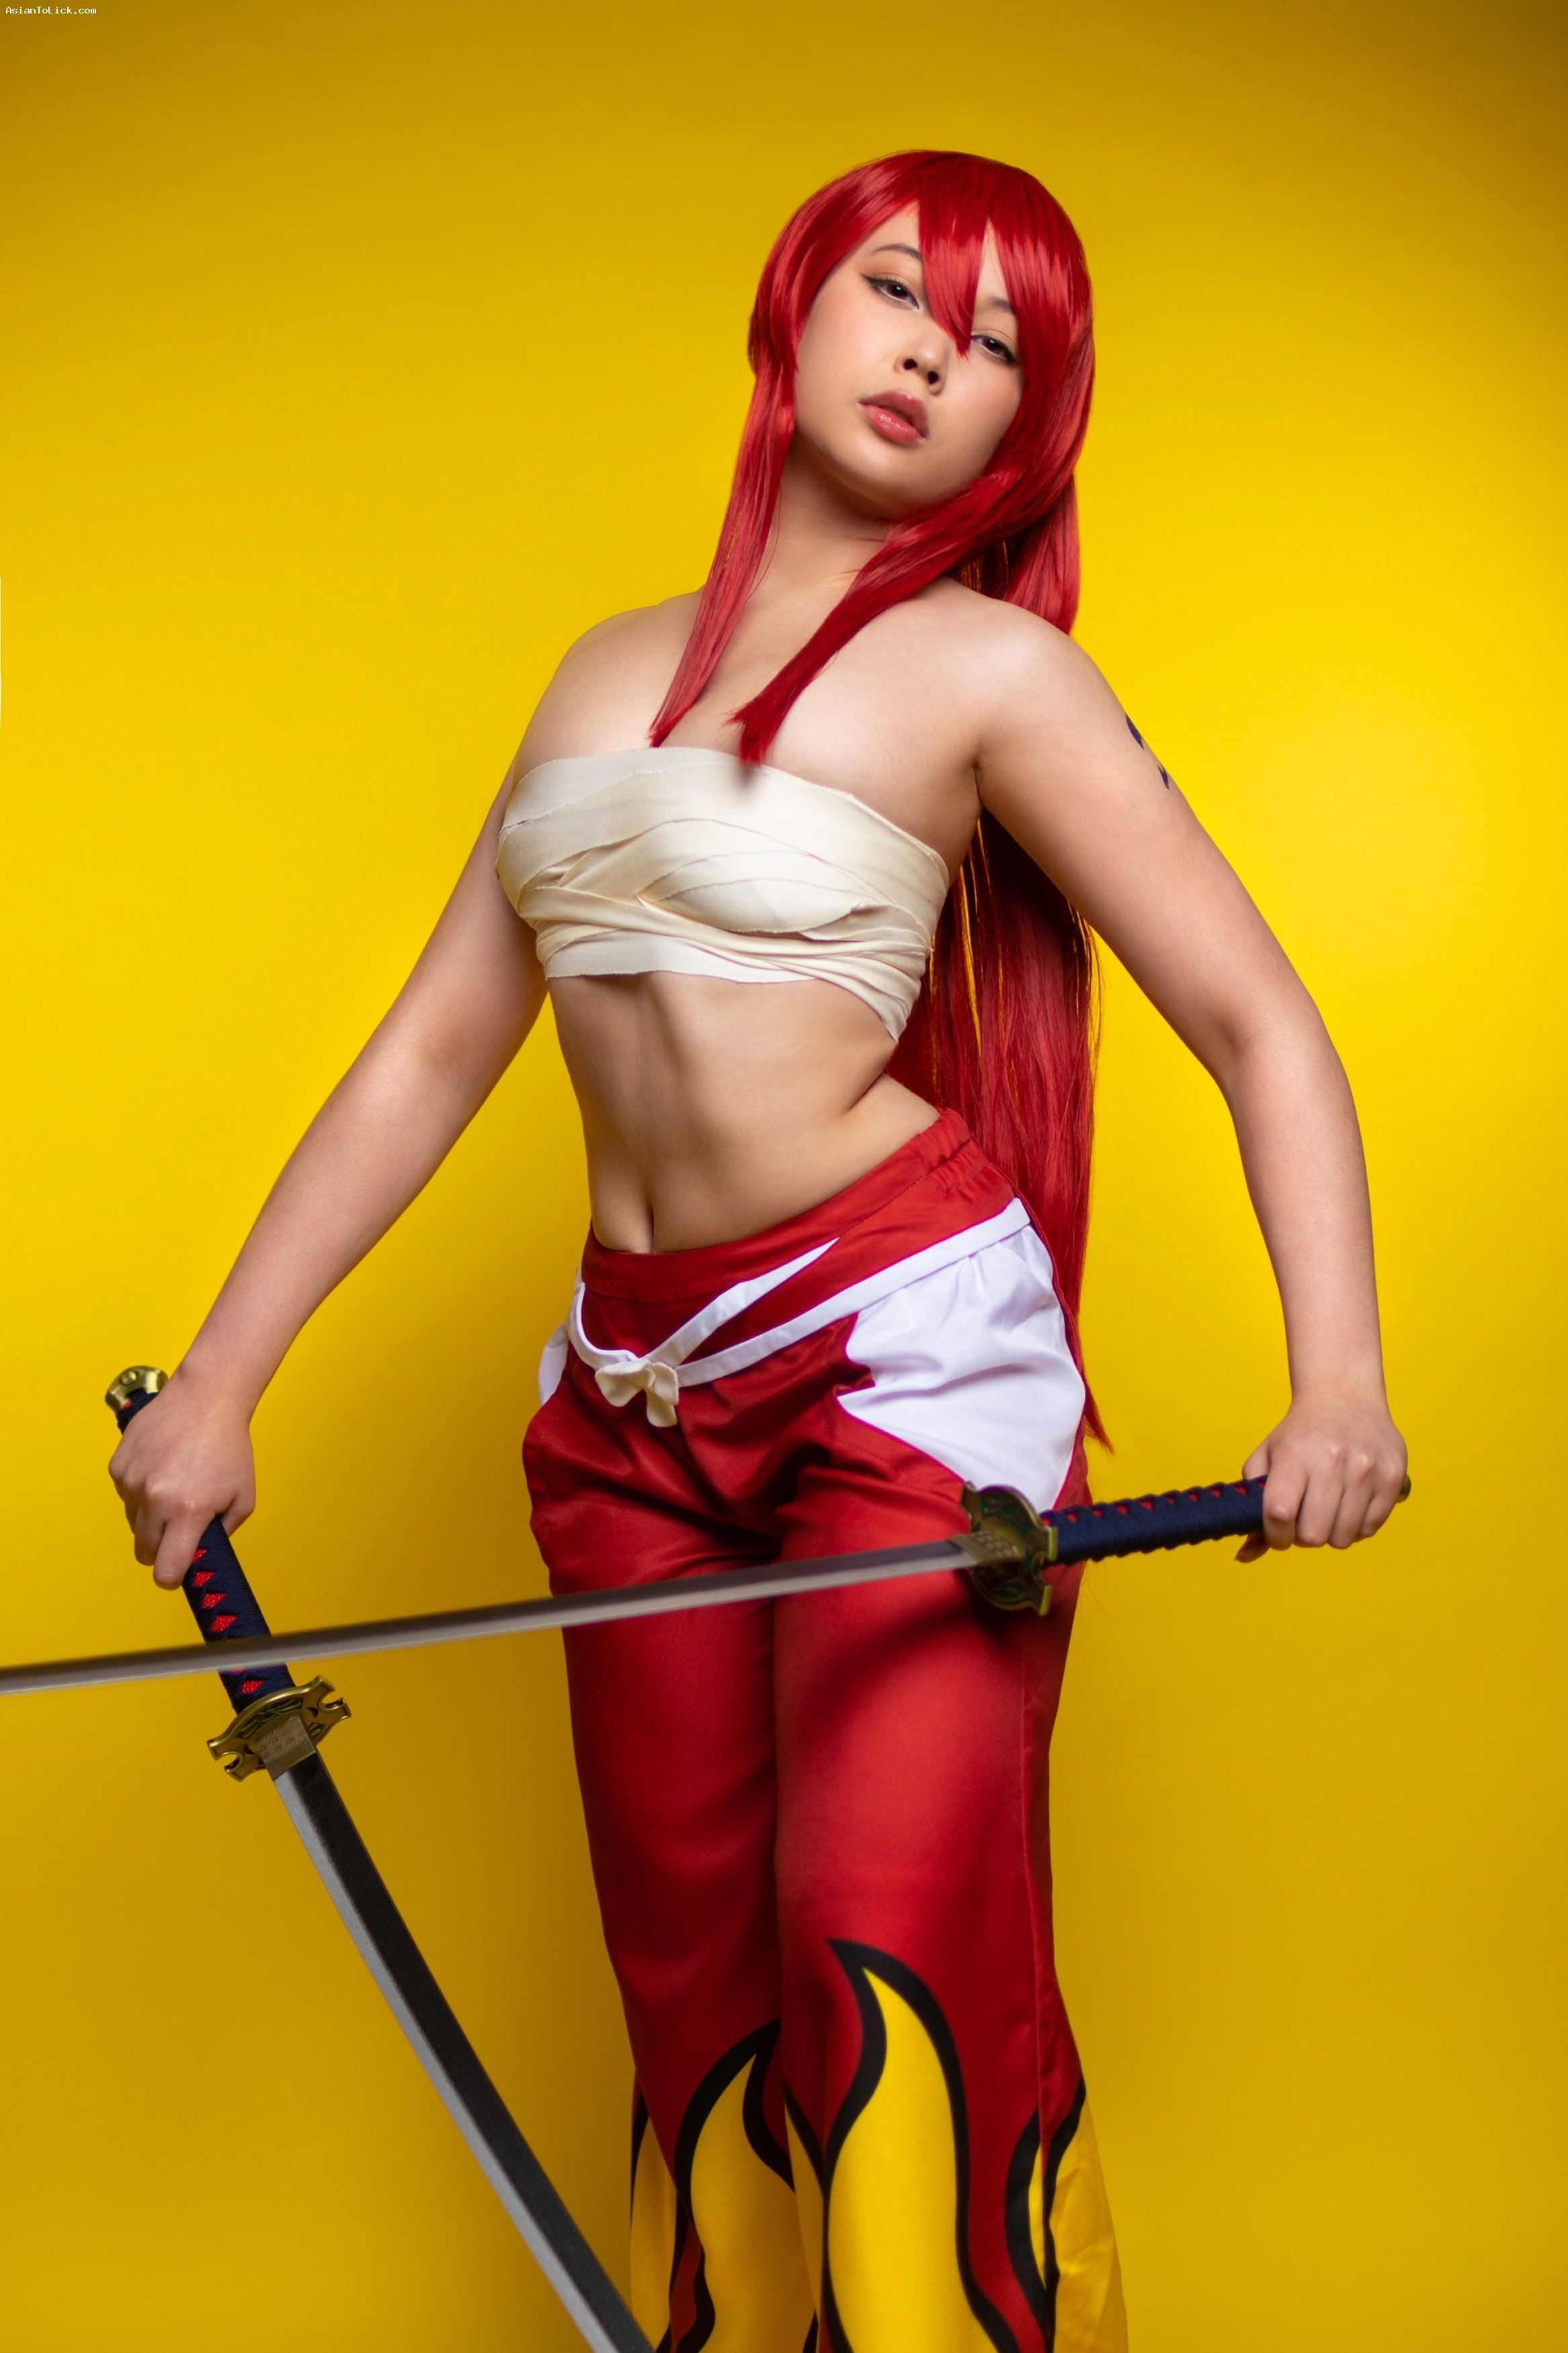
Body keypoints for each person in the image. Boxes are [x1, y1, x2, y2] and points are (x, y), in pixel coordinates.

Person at [110, 149, 1407, 2352]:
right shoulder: (597, 671)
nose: (929, 352)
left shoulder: (991, 673)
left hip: (905, 1376)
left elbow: (1260, 1018)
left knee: (880, 1939)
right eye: (898, 288)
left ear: (1026, 430)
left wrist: (1341, 1379)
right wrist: (227, 1373)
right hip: (630, 1394)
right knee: (693, 1966)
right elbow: (434, 1049)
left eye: (996, 343)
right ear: (794, 303)